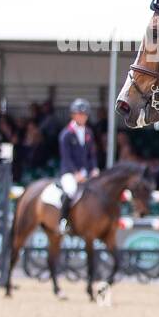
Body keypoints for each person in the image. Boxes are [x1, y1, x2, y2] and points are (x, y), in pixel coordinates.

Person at [57, 98, 98, 232]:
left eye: (85, 114)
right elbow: (66, 157)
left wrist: (94, 169)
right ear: (73, 115)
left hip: (85, 171)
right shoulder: (66, 134)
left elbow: (91, 155)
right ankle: (63, 220)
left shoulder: (88, 133)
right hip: (69, 172)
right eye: (80, 114)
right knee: (71, 190)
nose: (83, 117)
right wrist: (76, 174)